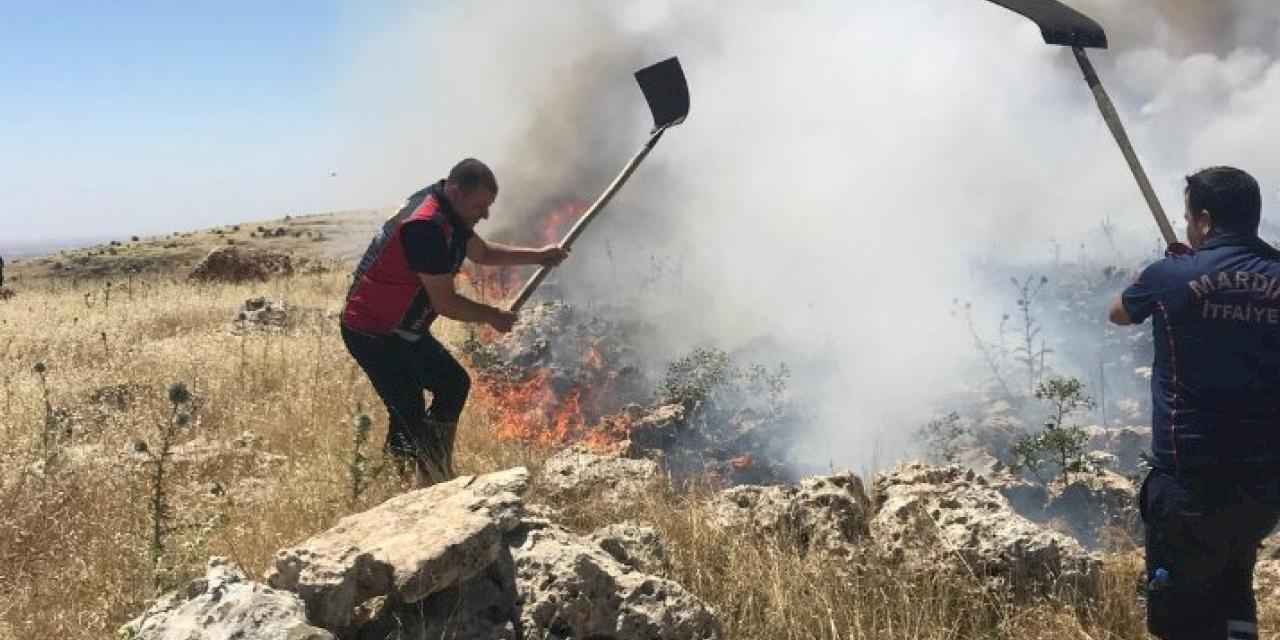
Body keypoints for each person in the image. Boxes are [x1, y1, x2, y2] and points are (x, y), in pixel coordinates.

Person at [1109, 166, 1280, 640]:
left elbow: (1119, 313)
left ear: (1203, 221)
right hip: (1264, 487)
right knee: (1235, 585)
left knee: (1180, 618)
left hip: (1190, 484)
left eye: (1188, 217)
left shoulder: (1171, 276)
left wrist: (1177, 268)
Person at [340, 158, 568, 486]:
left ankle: (433, 474)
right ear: (457, 191)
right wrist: (492, 316)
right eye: (481, 206)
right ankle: (400, 486)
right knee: (407, 407)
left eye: (488, 207)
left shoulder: (450, 209)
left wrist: (539, 255)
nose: (485, 215)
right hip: (372, 331)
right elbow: (445, 303)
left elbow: (484, 254)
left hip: (403, 329)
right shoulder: (425, 228)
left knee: (452, 384)